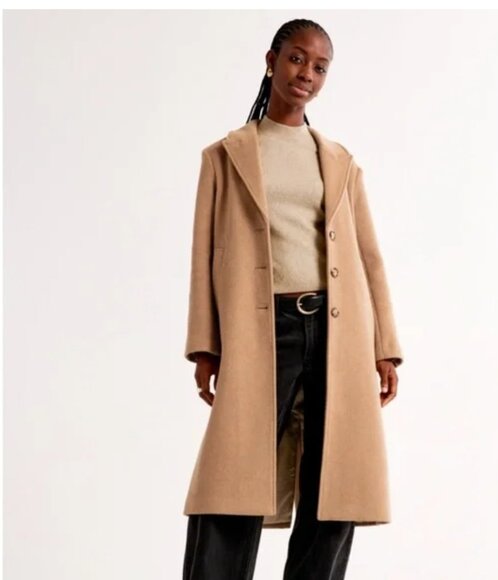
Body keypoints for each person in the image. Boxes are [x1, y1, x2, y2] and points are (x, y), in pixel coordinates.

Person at [182, 18, 404, 580]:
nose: (307, 73)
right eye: (297, 59)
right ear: (272, 61)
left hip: (337, 330)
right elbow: (204, 256)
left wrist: (385, 347)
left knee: (335, 485)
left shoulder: (340, 161)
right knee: (234, 477)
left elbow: (369, 258)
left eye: (320, 67)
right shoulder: (226, 156)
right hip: (261, 331)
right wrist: (205, 345)